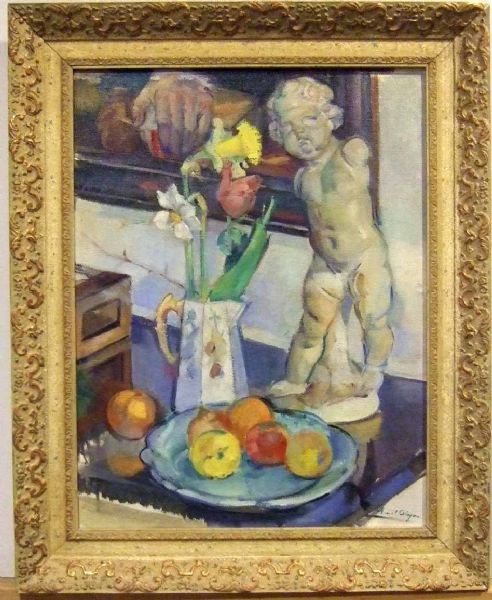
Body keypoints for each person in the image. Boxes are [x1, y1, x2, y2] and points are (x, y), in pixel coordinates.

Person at [267, 77, 393, 408]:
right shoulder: (302, 177)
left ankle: (375, 368)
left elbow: (363, 149)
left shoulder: (349, 154)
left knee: (374, 319)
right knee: (311, 327)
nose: (301, 134)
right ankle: (294, 379)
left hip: (365, 256)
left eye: (309, 119)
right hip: (325, 262)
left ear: (330, 118)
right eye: (289, 128)